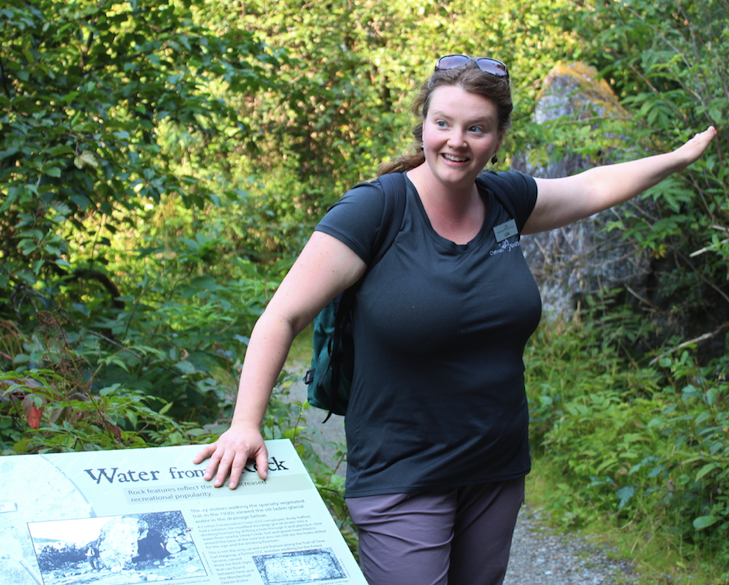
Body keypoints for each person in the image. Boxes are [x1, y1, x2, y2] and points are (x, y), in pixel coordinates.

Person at [194, 54, 716, 585]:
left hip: (496, 467)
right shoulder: (375, 211)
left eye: (476, 128)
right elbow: (282, 315)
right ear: (422, 122)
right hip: (401, 474)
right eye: (442, 123)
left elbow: (590, 188)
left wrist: (678, 157)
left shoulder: (505, 201)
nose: (456, 141)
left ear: (499, 135)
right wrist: (245, 423)